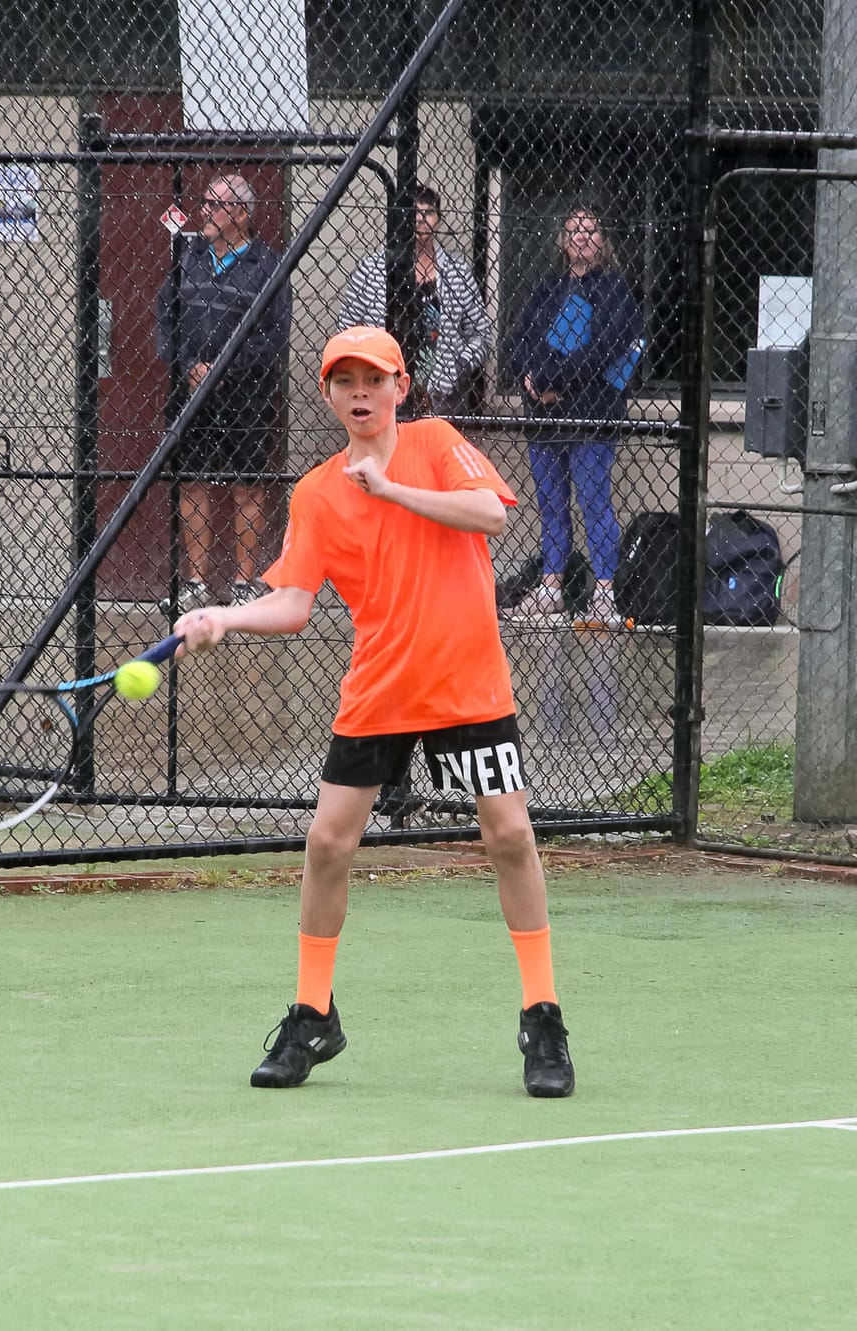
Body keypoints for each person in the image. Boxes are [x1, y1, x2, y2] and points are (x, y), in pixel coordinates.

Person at [175, 325, 575, 1098]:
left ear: (400, 387)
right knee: (327, 841)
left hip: (467, 680)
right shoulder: (318, 492)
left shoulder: (435, 441)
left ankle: (542, 1014)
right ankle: (313, 1014)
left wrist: (389, 488)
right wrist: (223, 619)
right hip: (381, 688)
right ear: (328, 395)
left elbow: (491, 514)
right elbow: (293, 602)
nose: (360, 393)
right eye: (344, 381)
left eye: (374, 379)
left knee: (511, 835)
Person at [156, 172, 291, 611]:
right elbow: (165, 316)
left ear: (241, 213)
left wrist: (226, 365)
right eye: (204, 203)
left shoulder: (268, 265)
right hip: (192, 391)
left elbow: (275, 334)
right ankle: (195, 583)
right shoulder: (188, 256)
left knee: (246, 486)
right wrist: (188, 364)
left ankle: (243, 583)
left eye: (214, 205)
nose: (204, 213)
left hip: (246, 394)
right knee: (192, 481)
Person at [509, 206, 644, 625]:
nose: (581, 237)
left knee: (593, 500)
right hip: (545, 416)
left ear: (603, 239)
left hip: (592, 413)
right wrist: (532, 378)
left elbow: (604, 348)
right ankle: (552, 585)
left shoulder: (615, 289)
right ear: (562, 241)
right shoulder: (549, 288)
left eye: (589, 230)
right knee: (551, 503)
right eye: (572, 231)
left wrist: (555, 380)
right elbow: (521, 338)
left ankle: (604, 590)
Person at [338, 185, 492, 418]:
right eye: (414, 213)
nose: (420, 220)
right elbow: (345, 330)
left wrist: (459, 365)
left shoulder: (458, 273)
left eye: (428, 212)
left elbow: (481, 334)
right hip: (383, 395)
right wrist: (367, 370)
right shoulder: (372, 269)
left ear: (438, 220)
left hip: (442, 398)